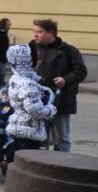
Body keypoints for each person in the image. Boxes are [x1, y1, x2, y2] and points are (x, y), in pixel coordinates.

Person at [30, 18, 86, 152]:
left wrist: (65, 80)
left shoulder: (68, 51)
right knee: (32, 134)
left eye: (40, 32)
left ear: (51, 33)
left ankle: (63, 165)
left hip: (61, 100)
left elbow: (81, 71)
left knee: (61, 137)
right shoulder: (31, 48)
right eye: (34, 31)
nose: (35, 35)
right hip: (35, 99)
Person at [1, 44, 57, 158]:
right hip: (29, 131)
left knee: (16, 159)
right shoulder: (28, 83)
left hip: (18, 127)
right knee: (26, 163)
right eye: (36, 58)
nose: (38, 61)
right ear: (28, 61)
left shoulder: (15, 78)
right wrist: (50, 110)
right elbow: (35, 109)